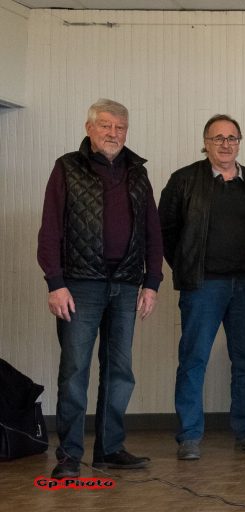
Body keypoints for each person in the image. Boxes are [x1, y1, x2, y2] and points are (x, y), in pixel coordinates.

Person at [38, 98, 162, 478]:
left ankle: (109, 448)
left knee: (119, 372)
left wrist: (152, 282)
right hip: (80, 286)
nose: (114, 133)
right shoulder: (67, 168)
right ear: (89, 128)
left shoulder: (137, 173)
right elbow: (50, 229)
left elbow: (152, 231)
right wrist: (55, 284)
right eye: (106, 126)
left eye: (120, 127)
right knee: (75, 371)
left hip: (125, 286)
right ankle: (70, 456)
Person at [159, 114, 245, 460]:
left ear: (240, 142)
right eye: (218, 138)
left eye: (232, 138)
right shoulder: (183, 181)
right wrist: (188, 270)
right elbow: (166, 233)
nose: (225, 144)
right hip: (203, 286)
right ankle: (189, 436)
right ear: (205, 142)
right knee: (193, 360)